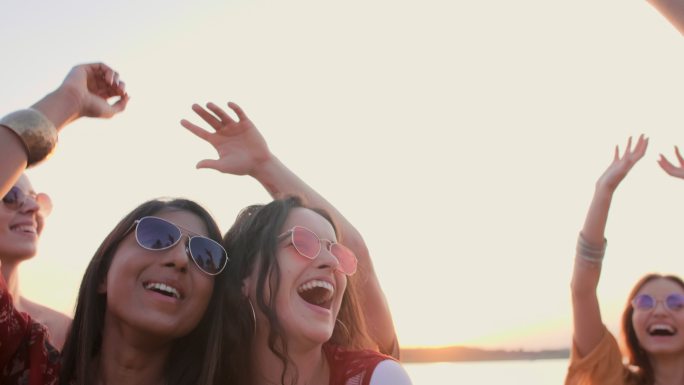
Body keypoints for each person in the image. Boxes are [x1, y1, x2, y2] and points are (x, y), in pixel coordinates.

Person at [0, 64, 235, 385]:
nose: (180, 259)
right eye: (156, 237)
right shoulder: (26, 367)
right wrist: (68, 100)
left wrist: (265, 166)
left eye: (205, 255)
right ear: (103, 273)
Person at [181, 102, 410, 384]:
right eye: (302, 242)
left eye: (335, 251)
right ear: (244, 278)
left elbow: (358, 254)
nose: (331, 262)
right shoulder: (204, 374)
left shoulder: (375, 378)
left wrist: (265, 164)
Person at [0, 63, 129, 350]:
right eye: (10, 196)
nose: (32, 208)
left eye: (36, 198)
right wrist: (70, 99)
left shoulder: (68, 335)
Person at [565, 135, 684, 385]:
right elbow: (582, 290)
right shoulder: (610, 378)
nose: (660, 311)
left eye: (677, 303)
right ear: (631, 320)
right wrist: (604, 190)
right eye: (645, 302)